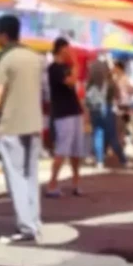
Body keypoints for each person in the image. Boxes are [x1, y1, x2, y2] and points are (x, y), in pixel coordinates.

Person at [0, 14, 44, 243]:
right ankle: (34, 221)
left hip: (11, 125)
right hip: (34, 124)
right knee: (30, 176)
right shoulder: (34, 57)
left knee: (16, 178)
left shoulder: (6, 58)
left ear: (2, 34)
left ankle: (26, 226)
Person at [45, 37, 85, 197]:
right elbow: (71, 81)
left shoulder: (65, 67)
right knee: (62, 149)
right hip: (63, 114)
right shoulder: (54, 68)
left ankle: (76, 182)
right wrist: (75, 62)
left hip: (74, 111)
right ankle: (52, 183)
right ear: (62, 49)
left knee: (76, 151)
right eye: (68, 49)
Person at [85, 60, 127, 169]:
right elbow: (118, 96)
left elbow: (86, 99)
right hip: (107, 109)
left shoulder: (90, 83)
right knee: (112, 136)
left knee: (98, 135)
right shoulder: (109, 81)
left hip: (95, 109)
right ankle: (122, 159)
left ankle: (100, 161)